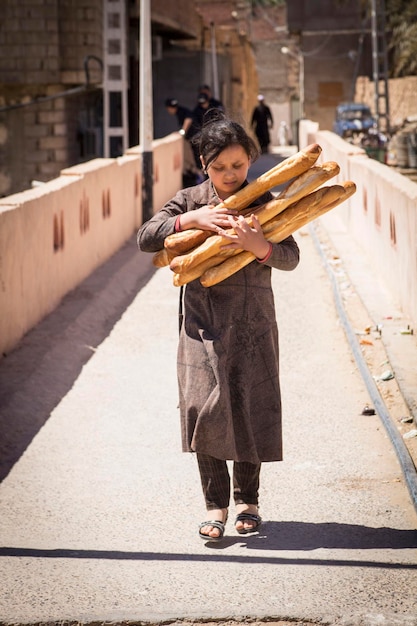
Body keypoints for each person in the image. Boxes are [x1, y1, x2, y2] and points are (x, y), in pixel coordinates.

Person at [137, 111, 300, 542]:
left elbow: (291, 257)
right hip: (202, 324)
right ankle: (215, 504)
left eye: (238, 165)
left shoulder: (266, 201)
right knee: (202, 408)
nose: (230, 174)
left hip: (253, 323)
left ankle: (249, 501)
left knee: (249, 406)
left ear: (251, 159)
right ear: (203, 165)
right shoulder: (190, 199)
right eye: (219, 167)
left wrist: (258, 245)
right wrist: (191, 221)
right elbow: (146, 236)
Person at [164, 98, 203, 186]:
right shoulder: (180, 111)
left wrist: (183, 131)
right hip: (195, 138)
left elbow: (188, 119)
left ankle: (202, 180)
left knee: (199, 159)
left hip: (196, 138)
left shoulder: (181, 111)